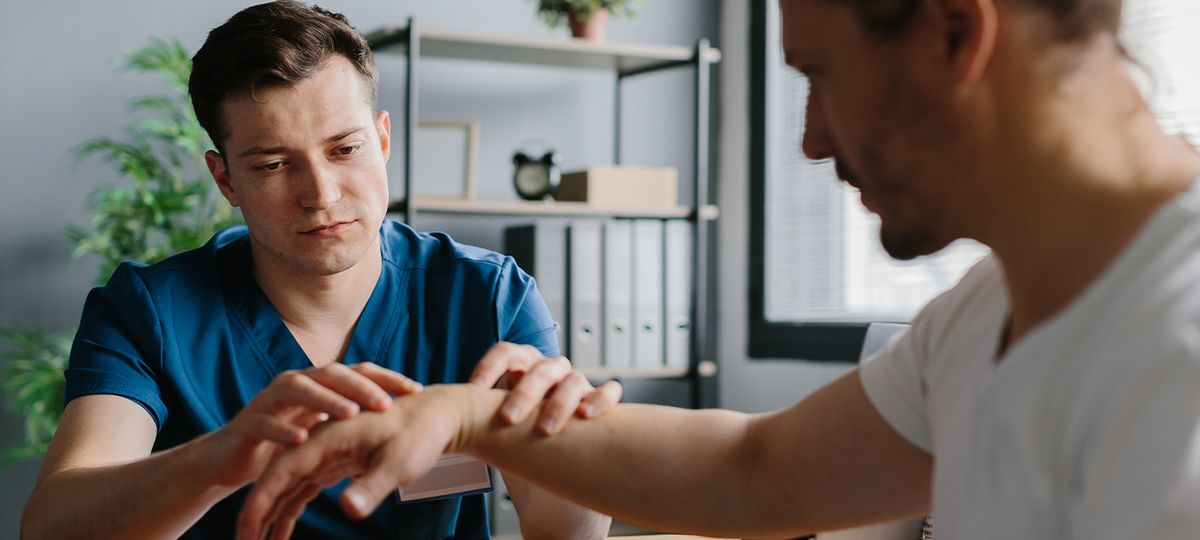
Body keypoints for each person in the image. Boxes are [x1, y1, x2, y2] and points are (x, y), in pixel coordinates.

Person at [237, 0, 1200, 538]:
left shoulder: (1175, 344)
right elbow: (758, 469)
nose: (814, 141)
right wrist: (470, 414)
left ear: (957, 33)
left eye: (819, 76)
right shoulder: (990, 312)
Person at [20, 2, 621, 539]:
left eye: (345, 149)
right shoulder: (149, 311)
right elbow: (52, 526)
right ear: (225, 178)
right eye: (274, 164)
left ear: (382, 142)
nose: (320, 193)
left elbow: (567, 533)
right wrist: (218, 457)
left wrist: (569, 443)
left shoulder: (487, 297)